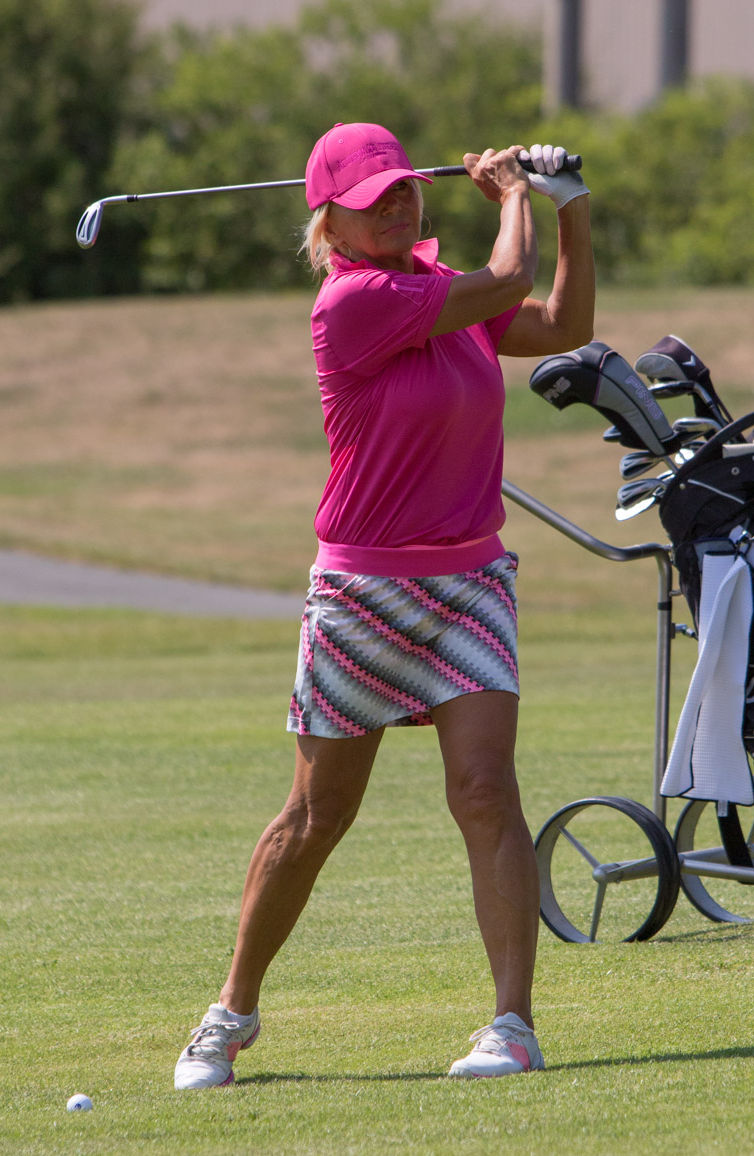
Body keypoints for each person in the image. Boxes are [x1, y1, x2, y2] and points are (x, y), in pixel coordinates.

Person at [174, 123, 593, 1088]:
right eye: (371, 203)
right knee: (317, 815)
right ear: (331, 225)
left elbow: (561, 325)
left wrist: (571, 208)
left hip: (470, 586)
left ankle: (513, 1027)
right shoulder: (352, 303)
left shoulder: (438, 289)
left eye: (403, 189)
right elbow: (504, 279)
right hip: (362, 591)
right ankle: (231, 1014)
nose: (396, 207)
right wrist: (516, 196)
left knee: (485, 793)